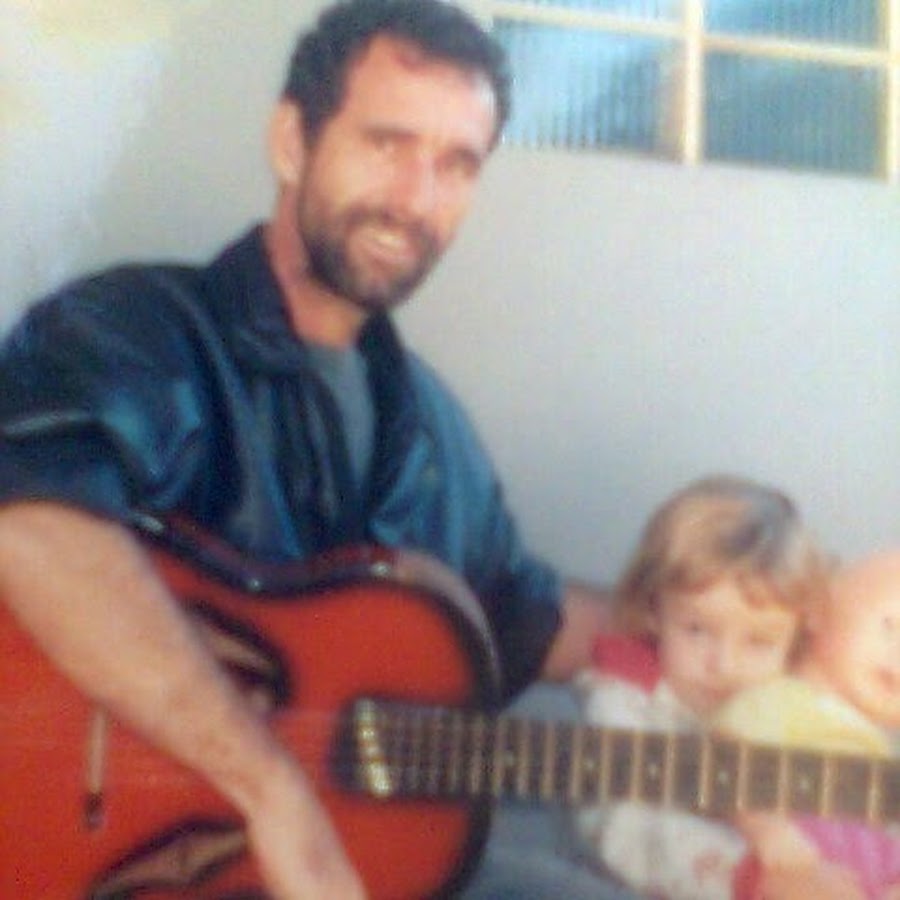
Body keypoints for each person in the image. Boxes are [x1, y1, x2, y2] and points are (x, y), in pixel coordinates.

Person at [0, 2, 610, 897]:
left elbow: (529, 619)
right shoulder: (132, 330)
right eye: (388, 144)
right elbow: (32, 526)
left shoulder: (432, 432)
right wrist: (273, 790)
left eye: (456, 164)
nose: (416, 198)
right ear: (292, 142)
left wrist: (735, 632)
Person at [573, 475, 830, 900]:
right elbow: (622, 828)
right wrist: (749, 878)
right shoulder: (623, 701)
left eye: (758, 642)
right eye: (697, 630)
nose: (723, 665)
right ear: (653, 610)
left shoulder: (790, 707)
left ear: (794, 640)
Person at [714, 550, 900, 900]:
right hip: (798, 857)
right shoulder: (784, 698)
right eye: (889, 626)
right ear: (819, 612)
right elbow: (724, 762)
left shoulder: (874, 745)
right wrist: (766, 829)